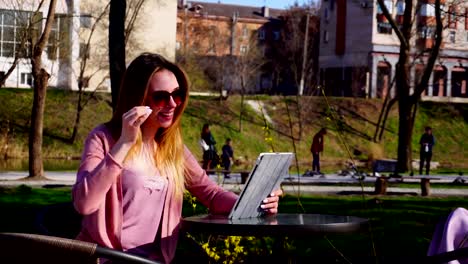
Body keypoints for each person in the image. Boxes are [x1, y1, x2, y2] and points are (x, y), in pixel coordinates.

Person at [72, 53, 283, 263]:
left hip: (154, 261)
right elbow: (84, 204)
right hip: (106, 259)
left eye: (177, 94)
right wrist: (124, 144)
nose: (172, 104)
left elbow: (209, 193)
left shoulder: (172, 147)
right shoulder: (104, 139)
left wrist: (253, 203)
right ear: (138, 98)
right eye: (161, 97)